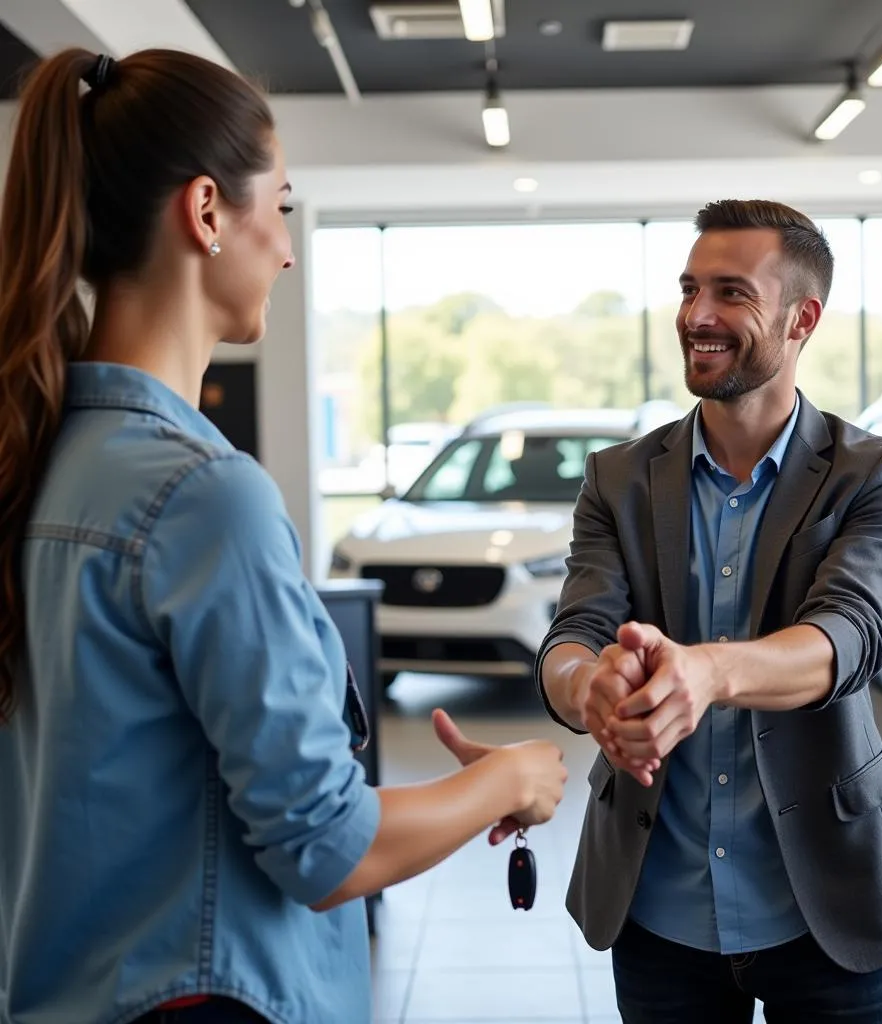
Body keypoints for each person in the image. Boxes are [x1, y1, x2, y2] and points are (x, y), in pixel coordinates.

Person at [0, 48, 567, 1024]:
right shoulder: (204, 495)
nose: (290, 247)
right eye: (285, 207)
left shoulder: (37, 462)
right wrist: (510, 778)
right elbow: (327, 846)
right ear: (209, 211)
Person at [535, 199, 882, 1022]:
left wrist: (706, 670)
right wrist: (589, 688)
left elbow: (845, 638)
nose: (697, 316)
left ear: (801, 318)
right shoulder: (618, 479)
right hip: (659, 910)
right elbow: (574, 637)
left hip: (829, 907)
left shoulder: (876, 473)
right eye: (688, 289)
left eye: (731, 293)